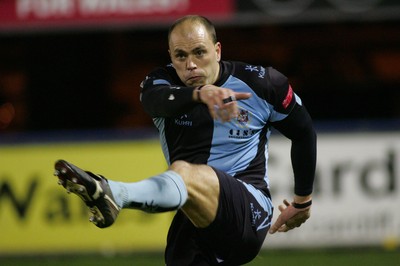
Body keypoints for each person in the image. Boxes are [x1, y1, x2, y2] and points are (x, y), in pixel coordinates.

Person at [54, 15, 317, 265]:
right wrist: (200, 93)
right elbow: (154, 101)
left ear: (217, 50)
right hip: (193, 217)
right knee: (185, 179)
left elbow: (303, 131)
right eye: (181, 56)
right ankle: (114, 195)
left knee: (184, 172)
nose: (191, 64)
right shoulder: (159, 83)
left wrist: (302, 202)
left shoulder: (263, 84)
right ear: (171, 57)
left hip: (249, 213)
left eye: (199, 52)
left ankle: (116, 194)